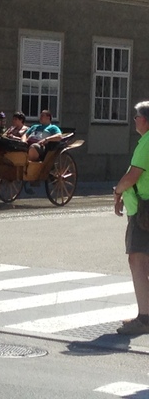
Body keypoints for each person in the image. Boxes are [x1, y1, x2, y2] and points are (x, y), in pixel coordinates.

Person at [113, 101, 149, 335]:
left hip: (144, 213)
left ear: (145, 120)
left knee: (137, 261)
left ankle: (144, 318)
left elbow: (133, 175)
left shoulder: (146, 143)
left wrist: (117, 191)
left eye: (137, 117)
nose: (134, 120)